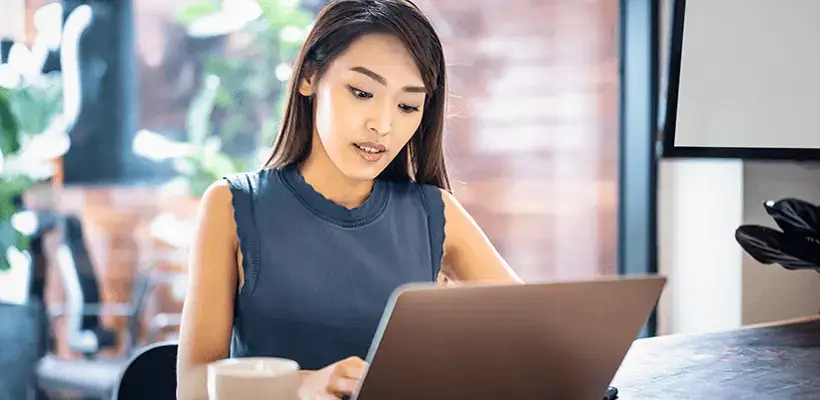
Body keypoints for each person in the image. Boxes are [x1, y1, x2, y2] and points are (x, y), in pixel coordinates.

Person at [176, 0, 522, 398]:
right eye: (362, 92)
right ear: (309, 77)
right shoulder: (233, 205)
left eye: (408, 105)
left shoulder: (435, 213)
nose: (383, 125)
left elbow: (543, 340)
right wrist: (304, 385)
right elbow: (193, 385)